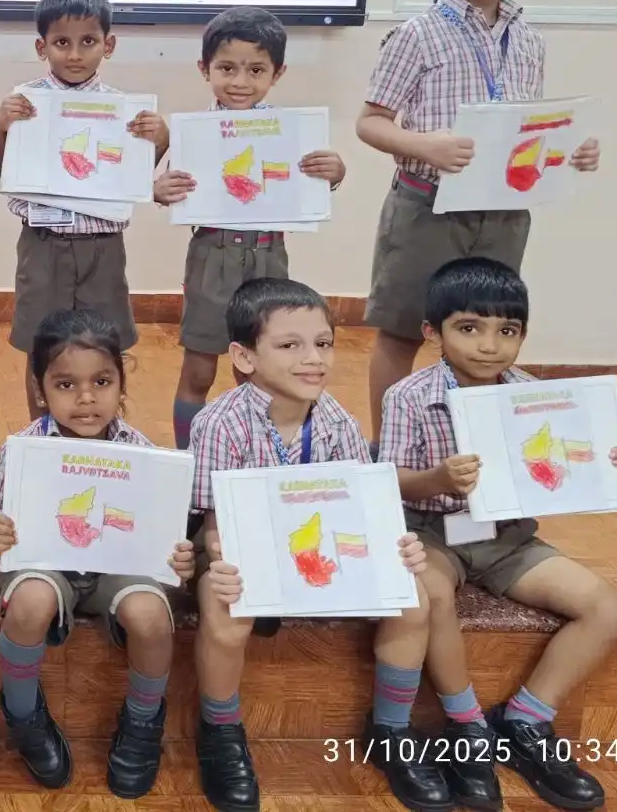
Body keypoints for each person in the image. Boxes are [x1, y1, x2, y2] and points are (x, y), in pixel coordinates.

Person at [379, 257, 617, 811]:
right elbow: (388, 483)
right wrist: (437, 478)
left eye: (508, 331)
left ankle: (525, 719)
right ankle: (467, 724)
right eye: (469, 328)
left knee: (607, 608)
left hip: (506, 537)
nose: (489, 346)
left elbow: (575, 463)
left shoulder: (532, 394)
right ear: (434, 332)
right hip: (428, 530)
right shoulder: (408, 396)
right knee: (431, 592)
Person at [188, 278, 447, 812]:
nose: (314, 360)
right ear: (243, 356)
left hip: (318, 551)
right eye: (290, 346)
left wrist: (398, 548)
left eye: (323, 343)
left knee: (413, 592)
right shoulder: (221, 423)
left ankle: (392, 731)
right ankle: (220, 732)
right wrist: (223, 557)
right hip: (235, 548)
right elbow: (213, 525)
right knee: (223, 601)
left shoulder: (338, 422)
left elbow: (362, 510)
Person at [356, 0, 600, 440]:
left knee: (486, 330)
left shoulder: (530, 41)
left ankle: (478, 443)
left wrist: (573, 150)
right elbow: (370, 123)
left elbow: (527, 133)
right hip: (427, 207)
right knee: (402, 333)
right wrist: (426, 146)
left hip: (505, 211)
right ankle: (390, 453)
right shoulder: (416, 35)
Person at [0, 309, 194, 800]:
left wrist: (178, 558)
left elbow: (165, 537)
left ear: (121, 383)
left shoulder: (143, 454)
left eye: (102, 381)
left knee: (153, 615)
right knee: (30, 602)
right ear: (40, 389)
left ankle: (142, 722)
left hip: (118, 568)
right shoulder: (24, 450)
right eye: (66, 385)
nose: (87, 398)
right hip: (45, 563)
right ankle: (24, 713)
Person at [155, 7, 346, 447]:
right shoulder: (195, 132)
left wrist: (334, 172)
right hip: (211, 256)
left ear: (277, 73)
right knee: (199, 369)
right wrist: (160, 189)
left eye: (256, 69)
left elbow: (315, 185)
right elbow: (164, 187)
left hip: (268, 255)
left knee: (262, 368)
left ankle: (256, 452)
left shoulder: (289, 131)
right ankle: (192, 457)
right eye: (226, 68)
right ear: (205, 69)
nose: (240, 82)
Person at [0, 0, 168, 416]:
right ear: (42, 46)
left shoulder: (123, 110)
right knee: (41, 345)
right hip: (44, 243)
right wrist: (1, 127)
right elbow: (9, 176)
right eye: (61, 43)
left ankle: (105, 429)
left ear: (108, 45)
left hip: (102, 248)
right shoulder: (24, 104)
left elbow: (129, 179)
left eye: (88, 42)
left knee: (104, 343)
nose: (74, 54)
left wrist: (159, 143)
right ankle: (40, 432)